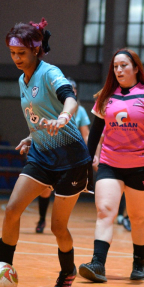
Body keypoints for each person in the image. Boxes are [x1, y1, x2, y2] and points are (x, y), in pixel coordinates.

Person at [0, 18, 92, 287]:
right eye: (13, 54)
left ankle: (67, 271)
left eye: (21, 53)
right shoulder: (21, 79)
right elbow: (36, 116)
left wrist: (64, 116)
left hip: (71, 160)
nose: (16, 58)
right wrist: (31, 136)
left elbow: (69, 98)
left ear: (36, 50)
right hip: (40, 154)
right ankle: (3, 267)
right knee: (13, 210)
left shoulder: (50, 73)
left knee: (57, 227)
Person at [79, 48, 144, 283]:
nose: (118, 70)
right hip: (110, 163)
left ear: (136, 68)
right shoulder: (106, 96)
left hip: (141, 165)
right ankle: (98, 264)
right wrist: (87, 161)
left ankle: (139, 262)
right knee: (105, 212)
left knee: (138, 217)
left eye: (124, 66)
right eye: (115, 66)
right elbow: (95, 132)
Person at [35, 77, 90, 234]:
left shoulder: (80, 111)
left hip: (71, 156)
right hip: (51, 153)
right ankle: (41, 219)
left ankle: (60, 224)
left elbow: (86, 134)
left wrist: (90, 154)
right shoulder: (51, 107)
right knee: (45, 190)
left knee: (65, 192)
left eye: (73, 89)